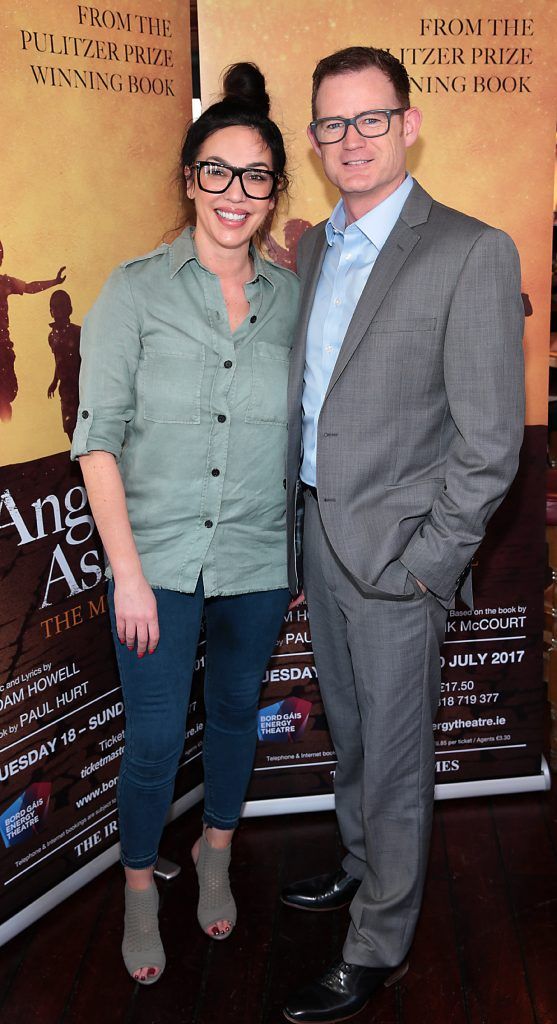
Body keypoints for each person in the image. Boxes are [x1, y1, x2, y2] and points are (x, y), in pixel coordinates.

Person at [282, 46, 525, 1023]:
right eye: (331, 124)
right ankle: (357, 866)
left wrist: (427, 564)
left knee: (392, 756)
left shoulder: (469, 249)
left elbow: (489, 444)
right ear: (310, 140)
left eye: (369, 119)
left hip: (397, 561)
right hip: (316, 535)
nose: (350, 140)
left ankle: (377, 942)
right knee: (350, 731)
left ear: (408, 122)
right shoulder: (309, 248)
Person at [71, 62, 298, 985]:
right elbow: (97, 441)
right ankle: (135, 889)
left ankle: (215, 853)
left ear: (275, 192)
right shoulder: (132, 291)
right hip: (154, 559)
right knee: (158, 739)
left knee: (238, 717)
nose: (234, 194)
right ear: (189, 177)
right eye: (217, 171)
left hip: (256, 553)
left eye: (255, 176)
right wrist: (126, 571)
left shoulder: (294, 300)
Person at [0, 241, 66, 421]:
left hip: (3, 348)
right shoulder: (3, 282)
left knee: (7, 394)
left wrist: (54, 281)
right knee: (6, 394)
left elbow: (30, 287)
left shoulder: (4, 282)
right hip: (3, 349)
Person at [47, 289, 81, 439]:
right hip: (65, 386)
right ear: (50, 311)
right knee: (69, 425)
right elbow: (58, 360)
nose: (57, 310)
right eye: (54, 307)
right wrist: (54, 381)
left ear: (70, 309)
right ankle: (77, 456)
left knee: (83, 421)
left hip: (81, 383)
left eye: (61, 306)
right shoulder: (52, 336)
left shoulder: (78, 332)